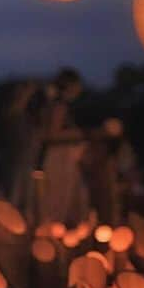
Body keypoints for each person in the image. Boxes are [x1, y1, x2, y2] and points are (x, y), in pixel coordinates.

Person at [40, 68, 89, 228]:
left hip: (64, 157)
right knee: (59, 200)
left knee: (68, 198)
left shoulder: (57, 105)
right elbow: (52, 135)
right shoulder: (59, 106)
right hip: (60, 158)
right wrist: (81, 134)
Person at [1, 80, 42, 213]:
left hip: (27, 163)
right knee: (14, 198)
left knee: (26, 200)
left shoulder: (27, 116)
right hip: (16, 163)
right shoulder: (13, 115)